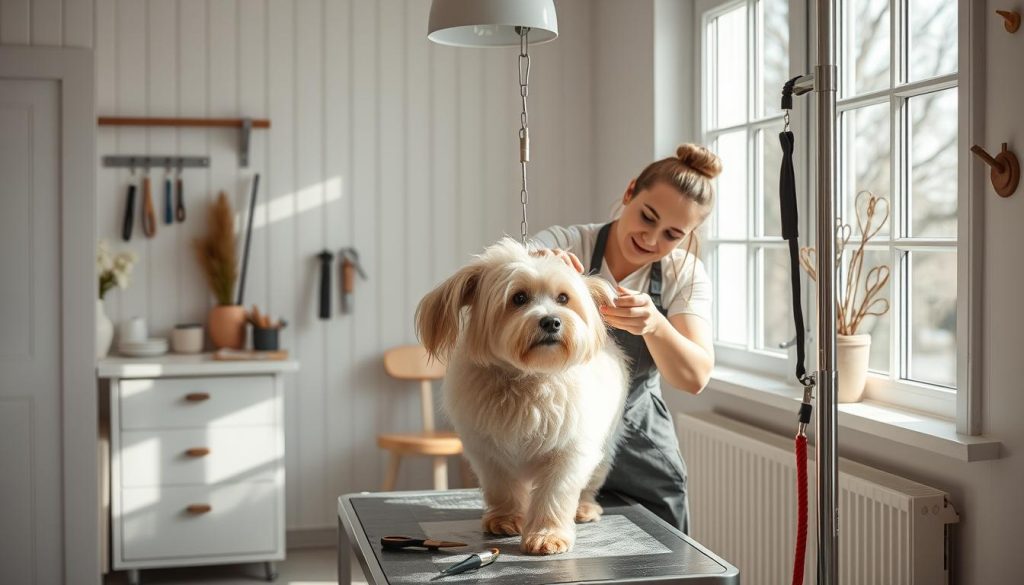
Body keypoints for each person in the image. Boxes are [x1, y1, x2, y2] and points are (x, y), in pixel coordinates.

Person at [531, 143, 720, 534]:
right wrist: (541, 266)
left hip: (637, 437)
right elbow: (513, 267)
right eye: (647, 217)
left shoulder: (682, 274)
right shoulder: (570, 244)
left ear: (689, 235)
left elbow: (694, 378)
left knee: (664, 555)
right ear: (630, 191)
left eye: (672, 234)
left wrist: (656, 326)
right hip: (558, 430)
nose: (651, 239)